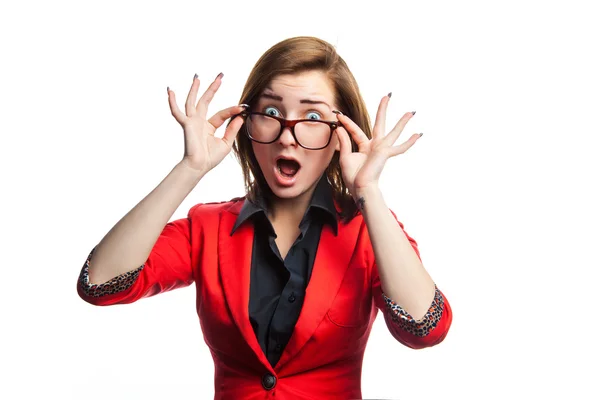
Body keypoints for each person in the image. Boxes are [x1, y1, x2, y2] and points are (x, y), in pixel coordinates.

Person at [77, 36, 452, 399]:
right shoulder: (207, 228)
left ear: (342, 134)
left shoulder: (370, 233)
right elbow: (98, 283)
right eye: (272, 112)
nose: (287, 136)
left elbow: (425, 328)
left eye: (312, 116)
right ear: (248, 124)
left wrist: (368, 191)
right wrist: (190, 168)